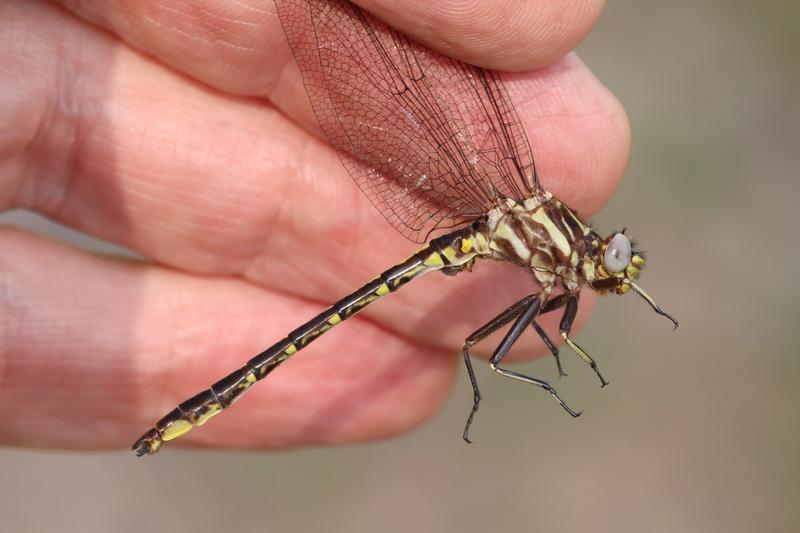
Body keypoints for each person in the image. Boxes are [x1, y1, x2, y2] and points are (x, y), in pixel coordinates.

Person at [0, 0, 629, 452]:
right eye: (611, 259)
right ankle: (200, 407)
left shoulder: (558, 262)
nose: (609, 266)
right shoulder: (552, 243)